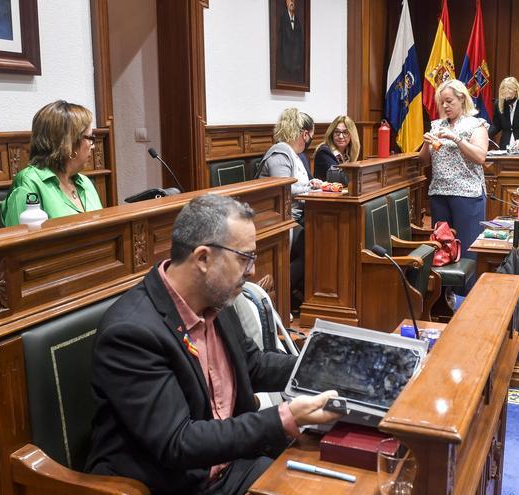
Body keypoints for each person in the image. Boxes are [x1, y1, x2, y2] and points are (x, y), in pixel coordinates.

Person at [85, 194, 340, 495]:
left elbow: (252, 365)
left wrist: (323, 363)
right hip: (175, 484)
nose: (253, 272)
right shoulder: (131, 332)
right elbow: (178, 442)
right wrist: (284, 417)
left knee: (339, 476)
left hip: (230, 465)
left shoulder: (215, 299)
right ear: (203, 258)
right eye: (244, 258)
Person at [255, 108, 321, 312]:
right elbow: (283, 188)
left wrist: (313, 183)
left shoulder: (296, 155)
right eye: (310, 135)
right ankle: (277, 296)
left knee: (317, 241)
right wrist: (310, 187)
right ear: (304, 134)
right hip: (278, 220)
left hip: (296, 217)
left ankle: (295, 296)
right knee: (312, 245)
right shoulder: (280, 152)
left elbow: (299, 183)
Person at [419, 79, 489, 264]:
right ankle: (444, 292)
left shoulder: (476, 124)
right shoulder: (437, 125)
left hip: (467, 194)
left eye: (449, 101)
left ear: (462, 99)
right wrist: (426, 144)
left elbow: (480, 156)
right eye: (442, 102)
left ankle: (467, 292)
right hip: (439, 193)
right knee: (442, 248)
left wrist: (457, 139)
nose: (445, 106)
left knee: (467, 248)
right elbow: (424, 161)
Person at [1, 100, 103, 226]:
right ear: (69, 142)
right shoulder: (29, 182)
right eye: (90, 138)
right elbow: (19, 241)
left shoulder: (85, 182)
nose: (93, 146)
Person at [313, 115, 361, 182]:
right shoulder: (324, 152)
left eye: (345, 132)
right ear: (331, 133)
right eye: (337, 132)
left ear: (352, 135)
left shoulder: (347, 154)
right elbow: (338, 178)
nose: (341, 136)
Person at [277, 0, 304, 83]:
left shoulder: (298, 22)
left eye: (293, 0)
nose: (291, 2)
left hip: (296, 65)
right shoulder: (282, 19)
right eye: (289, 0)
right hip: (286, 63)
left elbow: (300, 42)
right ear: (286, 3)